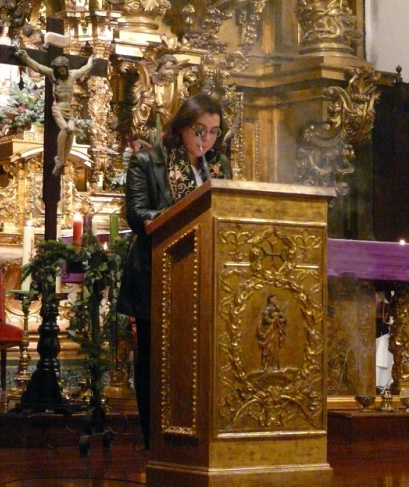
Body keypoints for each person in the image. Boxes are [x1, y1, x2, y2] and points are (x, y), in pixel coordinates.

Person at [116, 93, 231, 450]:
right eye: (200, 131)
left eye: (214, 132)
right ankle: (156, 440)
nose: (206, 140)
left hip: (206, 275)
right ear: (182, 127)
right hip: (157, 273)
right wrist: (179, 220)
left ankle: (195, 438)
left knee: (199, 361)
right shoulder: (149, 161)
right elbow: (138, 215)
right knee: (156, 362)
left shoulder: (219, 167)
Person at [17, 49, 95, 175]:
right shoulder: (53, 75)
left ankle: (62, 161)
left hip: (68, 109)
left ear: (66, 67)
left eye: (62, 68)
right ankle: (59, 160)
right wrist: (25, 57)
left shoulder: (73, 75)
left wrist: (91, 61)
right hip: (57, 107)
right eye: (58, 68)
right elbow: (38, 67)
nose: (61, 71)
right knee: (65, 129)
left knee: (71, 132)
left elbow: (85, 69)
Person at [256, 293, 287, 370]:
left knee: (275, 348)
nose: (275, 300)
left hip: (275, 331)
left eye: (275, 299)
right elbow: (266, 320)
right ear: (270, 300)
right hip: (269, 332)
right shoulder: (266, 310)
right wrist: (275, 318)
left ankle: (276, 366)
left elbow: (283, 318)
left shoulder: (277, 309)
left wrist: (280, 317)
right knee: (270, 349)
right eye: (274, 299)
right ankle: (268, 366)